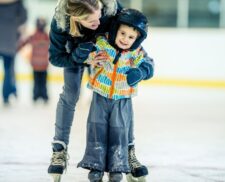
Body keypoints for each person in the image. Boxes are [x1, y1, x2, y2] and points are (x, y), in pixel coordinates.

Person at [47, 0, 154, 181]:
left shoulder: (111, 8)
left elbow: (131, 32)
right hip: (76, 54)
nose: (98, 23)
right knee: (70, 94)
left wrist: (141, 68)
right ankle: (59, 150)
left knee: (122, 97)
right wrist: (83, 59)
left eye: (100, 17)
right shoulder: (61, 22)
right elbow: (56, 57)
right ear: (75, 18)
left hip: (105, 50)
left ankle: (128, 152)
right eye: (91, 21)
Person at [77, 8, 152, 182]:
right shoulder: (103, 44)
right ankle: (95, 166)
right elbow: (86, 55)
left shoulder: (136, 53)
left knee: (119, 132)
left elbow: (149, 65)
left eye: (131, 37)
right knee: (97, 130)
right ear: (115, 30)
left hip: (122, 99)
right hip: (100, 96)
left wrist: (140, 72)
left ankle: (117, 167)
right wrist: (85, 53)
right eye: (123, 33)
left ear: (137, 39)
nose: (125, 39)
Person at [0, 0, 27, 105]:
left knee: (8, 70)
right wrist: (14, 23)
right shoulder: (17, 2)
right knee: (8, 70)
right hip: (10, 40)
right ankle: (6, 95)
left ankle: (11, 91)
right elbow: (23, 17)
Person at [17, 17, 50, 103]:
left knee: (38, 81)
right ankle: (43, 96)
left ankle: (37, 96)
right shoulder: (46, 36)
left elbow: (23, 43)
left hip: (37, 63)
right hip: (42, 64)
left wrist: (17, 48)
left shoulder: (35, 35)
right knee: (42, 81)